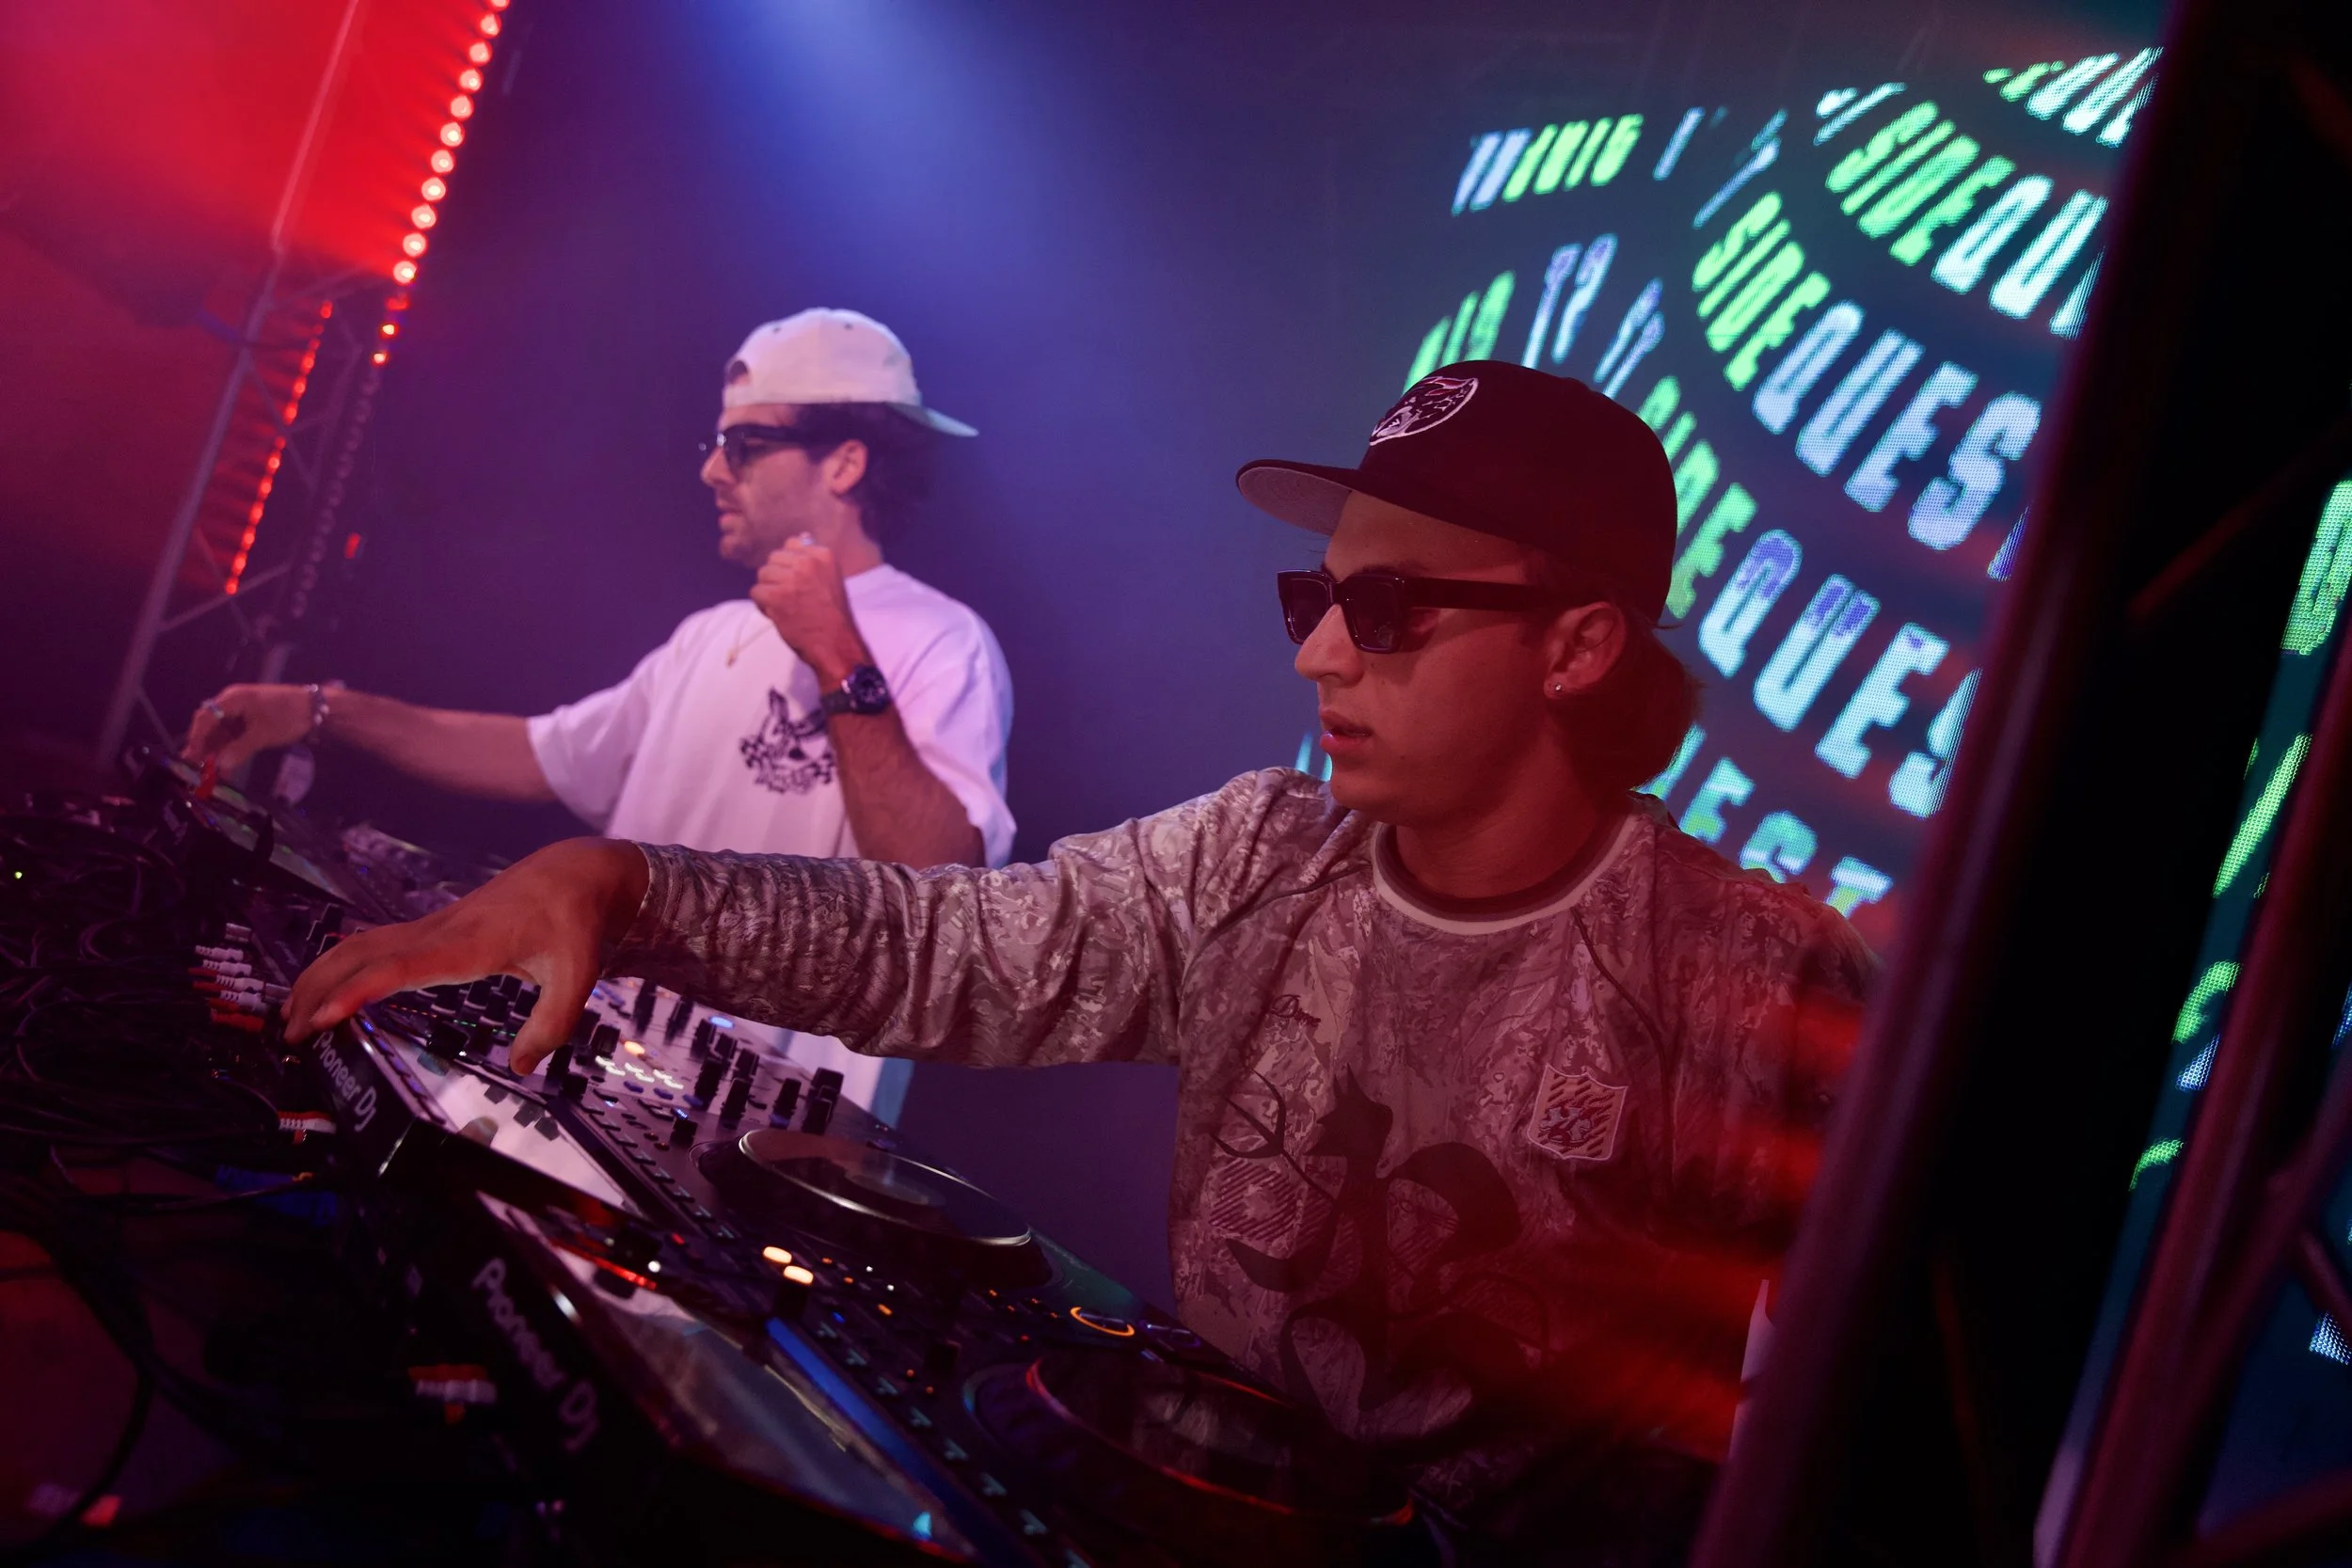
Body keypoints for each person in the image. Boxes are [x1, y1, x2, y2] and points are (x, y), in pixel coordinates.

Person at [284, 361, 1871, 1564]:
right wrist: (622, 881)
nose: (1317, 649)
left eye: (1387, 607)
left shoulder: (1749, 978)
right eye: (1318, 596)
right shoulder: (1258, 853)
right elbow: (949, 940)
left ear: (1578, 646)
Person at [188, 309, 1015, 1114]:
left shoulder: (944, 642)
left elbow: (941, 885)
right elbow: (534, 754)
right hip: (596, 1078)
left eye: (744, 445)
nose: (713, 471)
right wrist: (320, 710)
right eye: (715, 444)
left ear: (844, 463)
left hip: (762, 1134)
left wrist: (837, 652)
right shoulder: (710, 635)